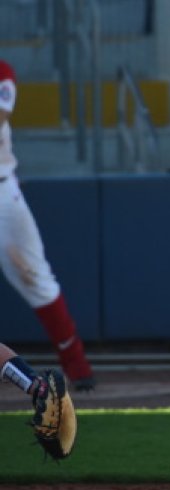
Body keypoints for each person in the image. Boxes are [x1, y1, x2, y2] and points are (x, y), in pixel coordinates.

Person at [0, 59, 95, 391]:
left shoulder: (2, 71)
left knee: (37, 278)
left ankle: (78, 367)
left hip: (3, 196)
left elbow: (1, 115)